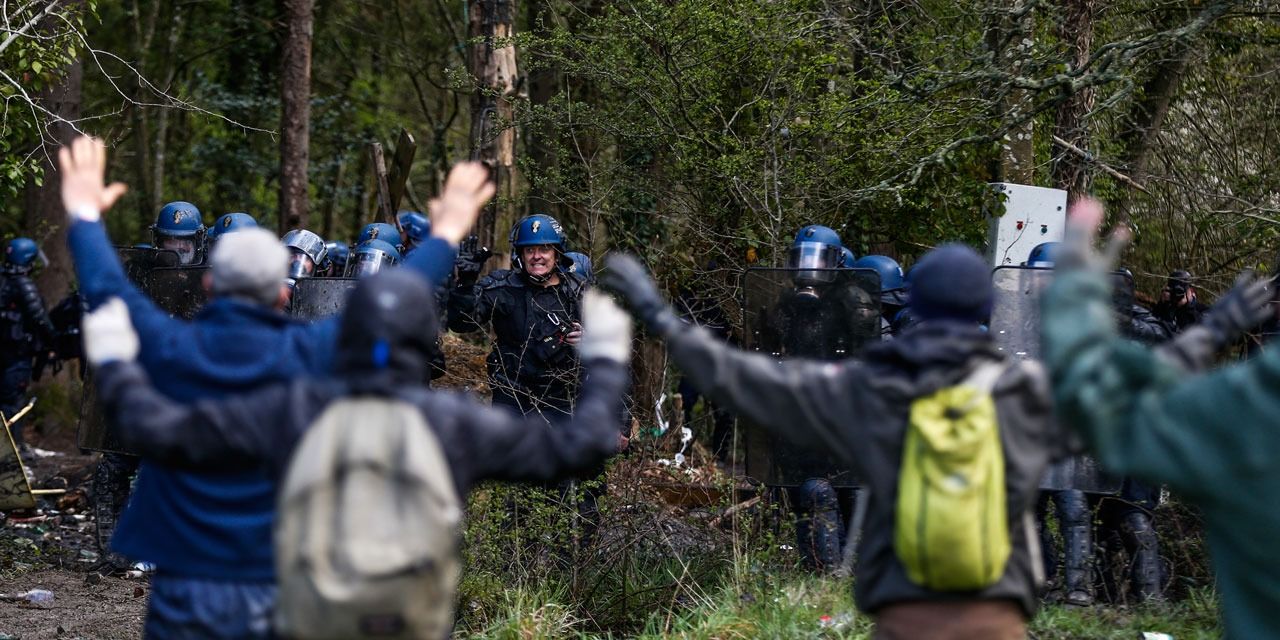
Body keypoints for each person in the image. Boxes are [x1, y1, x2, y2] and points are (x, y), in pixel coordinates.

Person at [58, 135, 489, 638]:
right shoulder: (309, 350)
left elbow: (107, 289)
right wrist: (445, 234)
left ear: (210, 283)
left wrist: (84, 215)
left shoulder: (173, 348)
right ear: (283, 292)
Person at [81, 270, 631, 638]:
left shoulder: (293, 406)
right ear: (423, 343)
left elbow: (161, 429)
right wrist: (605, 359)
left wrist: (114, 363)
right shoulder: (453, 424)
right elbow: (581, 447)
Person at [604, 246, 1069, 639]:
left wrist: (662, 318)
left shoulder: (874, 385)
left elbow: (748, 379)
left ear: (917, 307)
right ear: (987, 308)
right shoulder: (1028, 388)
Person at [1042, 197, 1277, 639]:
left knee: (1131, 516)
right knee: (1102, 518)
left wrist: (1209, 328)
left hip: (1114, 447)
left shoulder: (1246, 402)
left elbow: (1105, 403)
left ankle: (1141, 596)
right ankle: (1108, 591)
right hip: (1085, 454)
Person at [448, 213, 587, 417]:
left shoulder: (578, 290)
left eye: (544, 249)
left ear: (557, 253)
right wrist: (465, 285)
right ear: (520, 255)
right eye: (529, 250)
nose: (536, 256)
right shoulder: (502, 287)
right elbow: (461, 323)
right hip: (511, 398)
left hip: (561, 400)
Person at [1, 238, 54, 445]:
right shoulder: (23, 285)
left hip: (8, 352)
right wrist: (53, 341)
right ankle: (12, 449)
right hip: (16, 356)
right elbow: (40, 319)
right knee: (13, 403)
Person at [1152, 269, 1208, 334]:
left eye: (1180, 291)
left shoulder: (1202, 310)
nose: (1177, 295)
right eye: (1175, 291)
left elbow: (1205, 330)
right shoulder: (1165, 310)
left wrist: (1189, 308)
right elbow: (1152, 327)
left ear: (1191, 290)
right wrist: (1161, 305)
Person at [151, 200, 207, 265]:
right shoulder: (147, 268)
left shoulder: (210, 268)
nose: (180, 248)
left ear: (198, 243)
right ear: (159, 243)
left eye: (187, 242)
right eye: (172, 242)